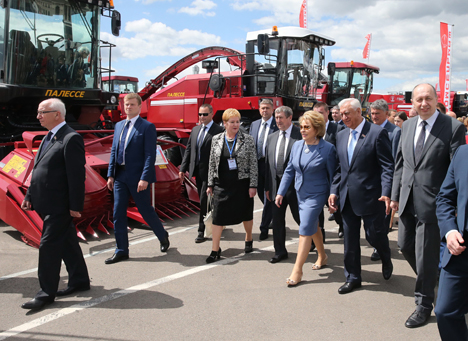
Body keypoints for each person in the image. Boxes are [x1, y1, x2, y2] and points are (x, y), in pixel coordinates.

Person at [390, 83, 465, 328]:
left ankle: (423, 304)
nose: (424, 103)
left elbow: (456, 169)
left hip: (434, 203)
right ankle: (438, 278)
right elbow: (401, 163)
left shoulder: (452, 127)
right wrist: (394, 195)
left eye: (428, 99)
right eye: (419, 99)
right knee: (404, 246)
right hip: (407, 200)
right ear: (412, 102)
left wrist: (453, 204)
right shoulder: (408, 125)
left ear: (436, 99)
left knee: (425, 258)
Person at [21, 98, 89, 310]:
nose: (38, 116)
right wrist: (30, 195)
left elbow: (76, 176)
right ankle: (80, 281)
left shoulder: (71, 138)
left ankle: (46, 293)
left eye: (43, 112)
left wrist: (75, 205)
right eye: (38, 112)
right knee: (67, 242)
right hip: (45, 202)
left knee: (49, 246)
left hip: (60, 205)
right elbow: (38, 169)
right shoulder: (48, 138)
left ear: (57, 114)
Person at [329, 98, 394, 295]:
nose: (344, 117)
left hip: (371, 197)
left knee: (374, 235)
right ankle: (353, 277)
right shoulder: (341, 135)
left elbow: (386, 166)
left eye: (347, 113)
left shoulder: (377, 133)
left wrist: (386, 192)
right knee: (349, 241)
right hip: (347, 197)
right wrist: (333, 190)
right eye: (341, 113)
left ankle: (385, 255)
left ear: (359, 112)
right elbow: (340, 168)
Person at [106, 93, 170, 264]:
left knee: (145, 211)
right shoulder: (119, 125)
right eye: (126, 104)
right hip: (120, 176)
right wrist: (111, 174)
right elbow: (114, 151)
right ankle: (121, 250)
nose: (128, 107)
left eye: (132, 104)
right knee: (118, 212)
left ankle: (162, 235)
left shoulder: (147, 127)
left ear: (140, 107)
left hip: (138, 177)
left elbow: (150, 155)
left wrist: (145, 178)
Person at [276, 111, 336, 286]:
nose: (302, 130)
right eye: (301, 127)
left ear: (317, 128)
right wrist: (280, 192)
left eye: (306, 127)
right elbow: (290, 170)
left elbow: (333, 176)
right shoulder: (297, 146)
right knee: (312, 225)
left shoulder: (327, 149)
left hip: (317, 194)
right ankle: (322, 255)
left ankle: (297, 269)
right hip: (300, 193)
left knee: (305, 228)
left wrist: (333, 198)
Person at [206, 109, 257, 263]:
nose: (236, 125)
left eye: (237, 121)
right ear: (225, 123)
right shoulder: (216, 139)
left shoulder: (247, 139)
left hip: (241, 184)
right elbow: (212, 163)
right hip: (221, 184)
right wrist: (210, 183)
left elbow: (253, 164)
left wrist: (253, 185)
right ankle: (215, 249)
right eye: (232, 122)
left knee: (246, 214)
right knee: (217, 218)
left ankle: (248, 237)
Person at [434, 145, 468, 340]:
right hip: (459, 250)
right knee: (445, 311)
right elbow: (445, 198)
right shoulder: (463, 153)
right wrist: (450, 231)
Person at [179, 104, 223, 243]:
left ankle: (201, 230)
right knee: (205, 199)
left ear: (211, 114)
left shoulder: (219, 130)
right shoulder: (195, 130)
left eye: (205, 114)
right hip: (197, 170)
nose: (202, 117)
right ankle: (216, 222)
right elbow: (189, 150)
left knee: (204, 200)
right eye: (200, 114)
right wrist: (182, 169)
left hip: (211, 172)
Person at [264, 106, 301, 263]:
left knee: (301, 218)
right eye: (276, 118)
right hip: (276, 186)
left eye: (281, 118)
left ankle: (314, 242)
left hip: (295, 187)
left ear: (289, 117)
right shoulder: (272, 137)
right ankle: (280, 251)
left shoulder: (300, 135)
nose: (278, 121)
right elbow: (267, 164)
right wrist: (267, 186)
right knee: (277, 220)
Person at [369, 99, 401, 261]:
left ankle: (380, 248)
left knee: (383, 218)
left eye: (377, 114)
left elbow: (395, 161)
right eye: (372, 113)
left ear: (386, 114)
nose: (374, 117)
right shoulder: (368, 130)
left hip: (385, 182)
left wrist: (391, 189)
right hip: (370, 182)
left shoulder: (394, 132)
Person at [249, 99, 278, 240]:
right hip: (257, 164)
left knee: (268, 197)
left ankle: (264, 227)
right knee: (261, 193)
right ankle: (271, 215)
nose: (264, 110)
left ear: (272, 109)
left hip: (271, 165)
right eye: (262, 108)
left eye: (267, 108)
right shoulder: (254, 125)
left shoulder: (277, 124)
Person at [314, 102, 344, 239]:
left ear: (327, 113)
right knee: (317, 208)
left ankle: (342, 225)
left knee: (335, 207)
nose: (318, 116)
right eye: (315, 113)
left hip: (333, 176)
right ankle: (321, 233)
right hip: (318, 177)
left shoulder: (338, 130)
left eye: (321, 113)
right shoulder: (312, 130)